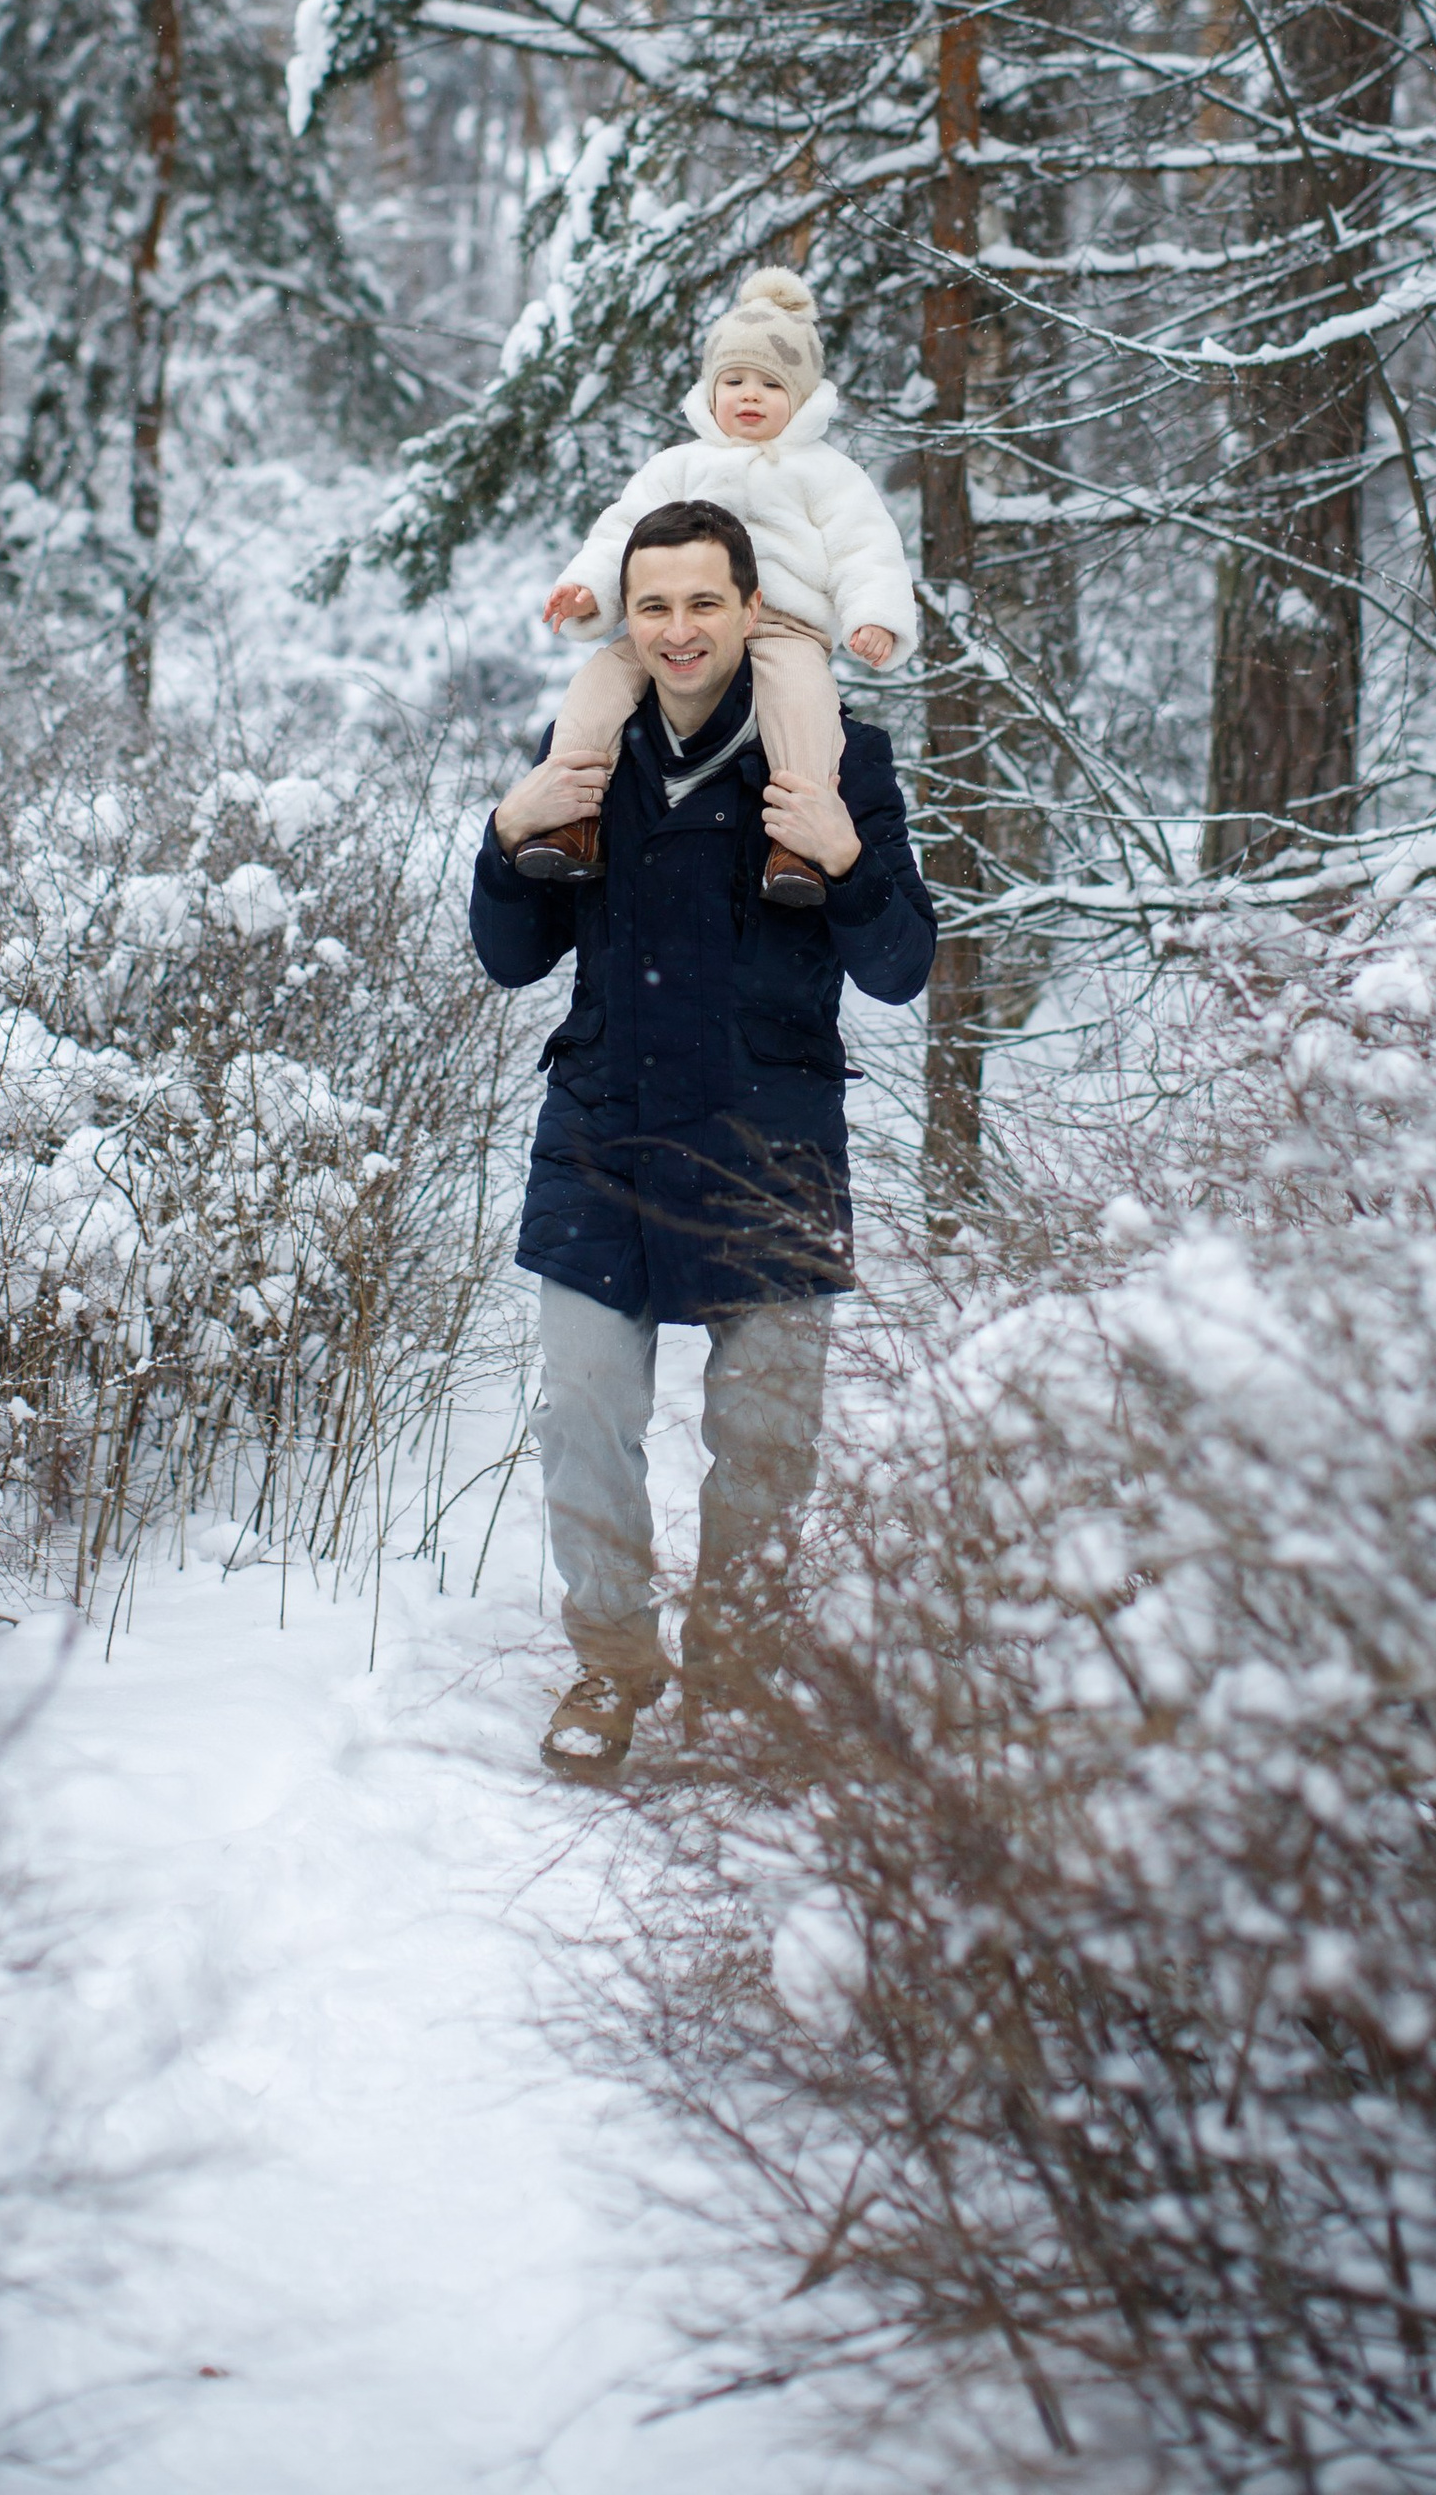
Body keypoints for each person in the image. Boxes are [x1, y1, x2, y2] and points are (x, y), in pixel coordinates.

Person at [470, 501, 936, 1777]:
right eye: (654, 606)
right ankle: (612, 1667)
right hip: (603, 1132)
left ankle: (736, 1663)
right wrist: (509, 838)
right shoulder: (583, 756)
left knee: (769, 1438)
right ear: (631, 619)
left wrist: (843, 860)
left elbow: (900, 970)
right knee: (581, 1411)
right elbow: (511, 958)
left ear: (751, 611)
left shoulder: (841, 755)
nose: (678, 630)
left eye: (703, 603)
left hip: (769, 1138)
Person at [524, 267, 917, 907]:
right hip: (673, 624)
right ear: (710, 390)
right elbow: (622, 532)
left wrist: (871, 614)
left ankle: (798, 842)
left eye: (770, 384)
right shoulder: (677, 465)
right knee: (599, 684)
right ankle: (572, 816)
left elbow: (865, 548)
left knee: (804, 703)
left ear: (804, 397)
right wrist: (590, 589)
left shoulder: (826, 473)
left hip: (786, 628)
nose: (749, 396)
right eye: (733, 381)